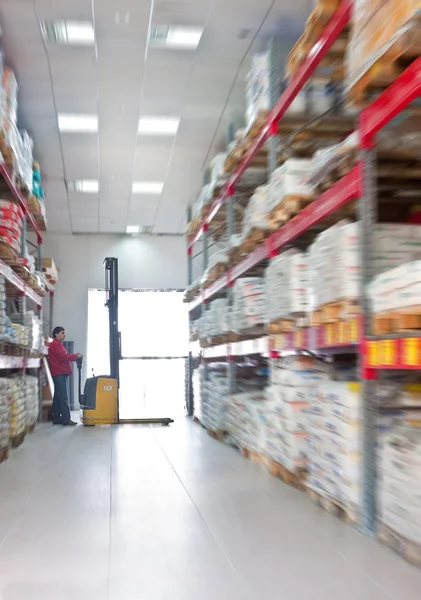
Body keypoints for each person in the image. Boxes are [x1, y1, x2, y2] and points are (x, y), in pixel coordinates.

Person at [48, 326, 83, 426]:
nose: (64, 334)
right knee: (63, 396)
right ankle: (66, 419)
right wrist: (76, 356)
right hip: (59, 372)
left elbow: (63, 356)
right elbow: (63, 356)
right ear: (56, 334)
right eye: (62, 333)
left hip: (60, 372)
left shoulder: (58, 344)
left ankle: (56, 418)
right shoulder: (55, 344)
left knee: (58, 396)